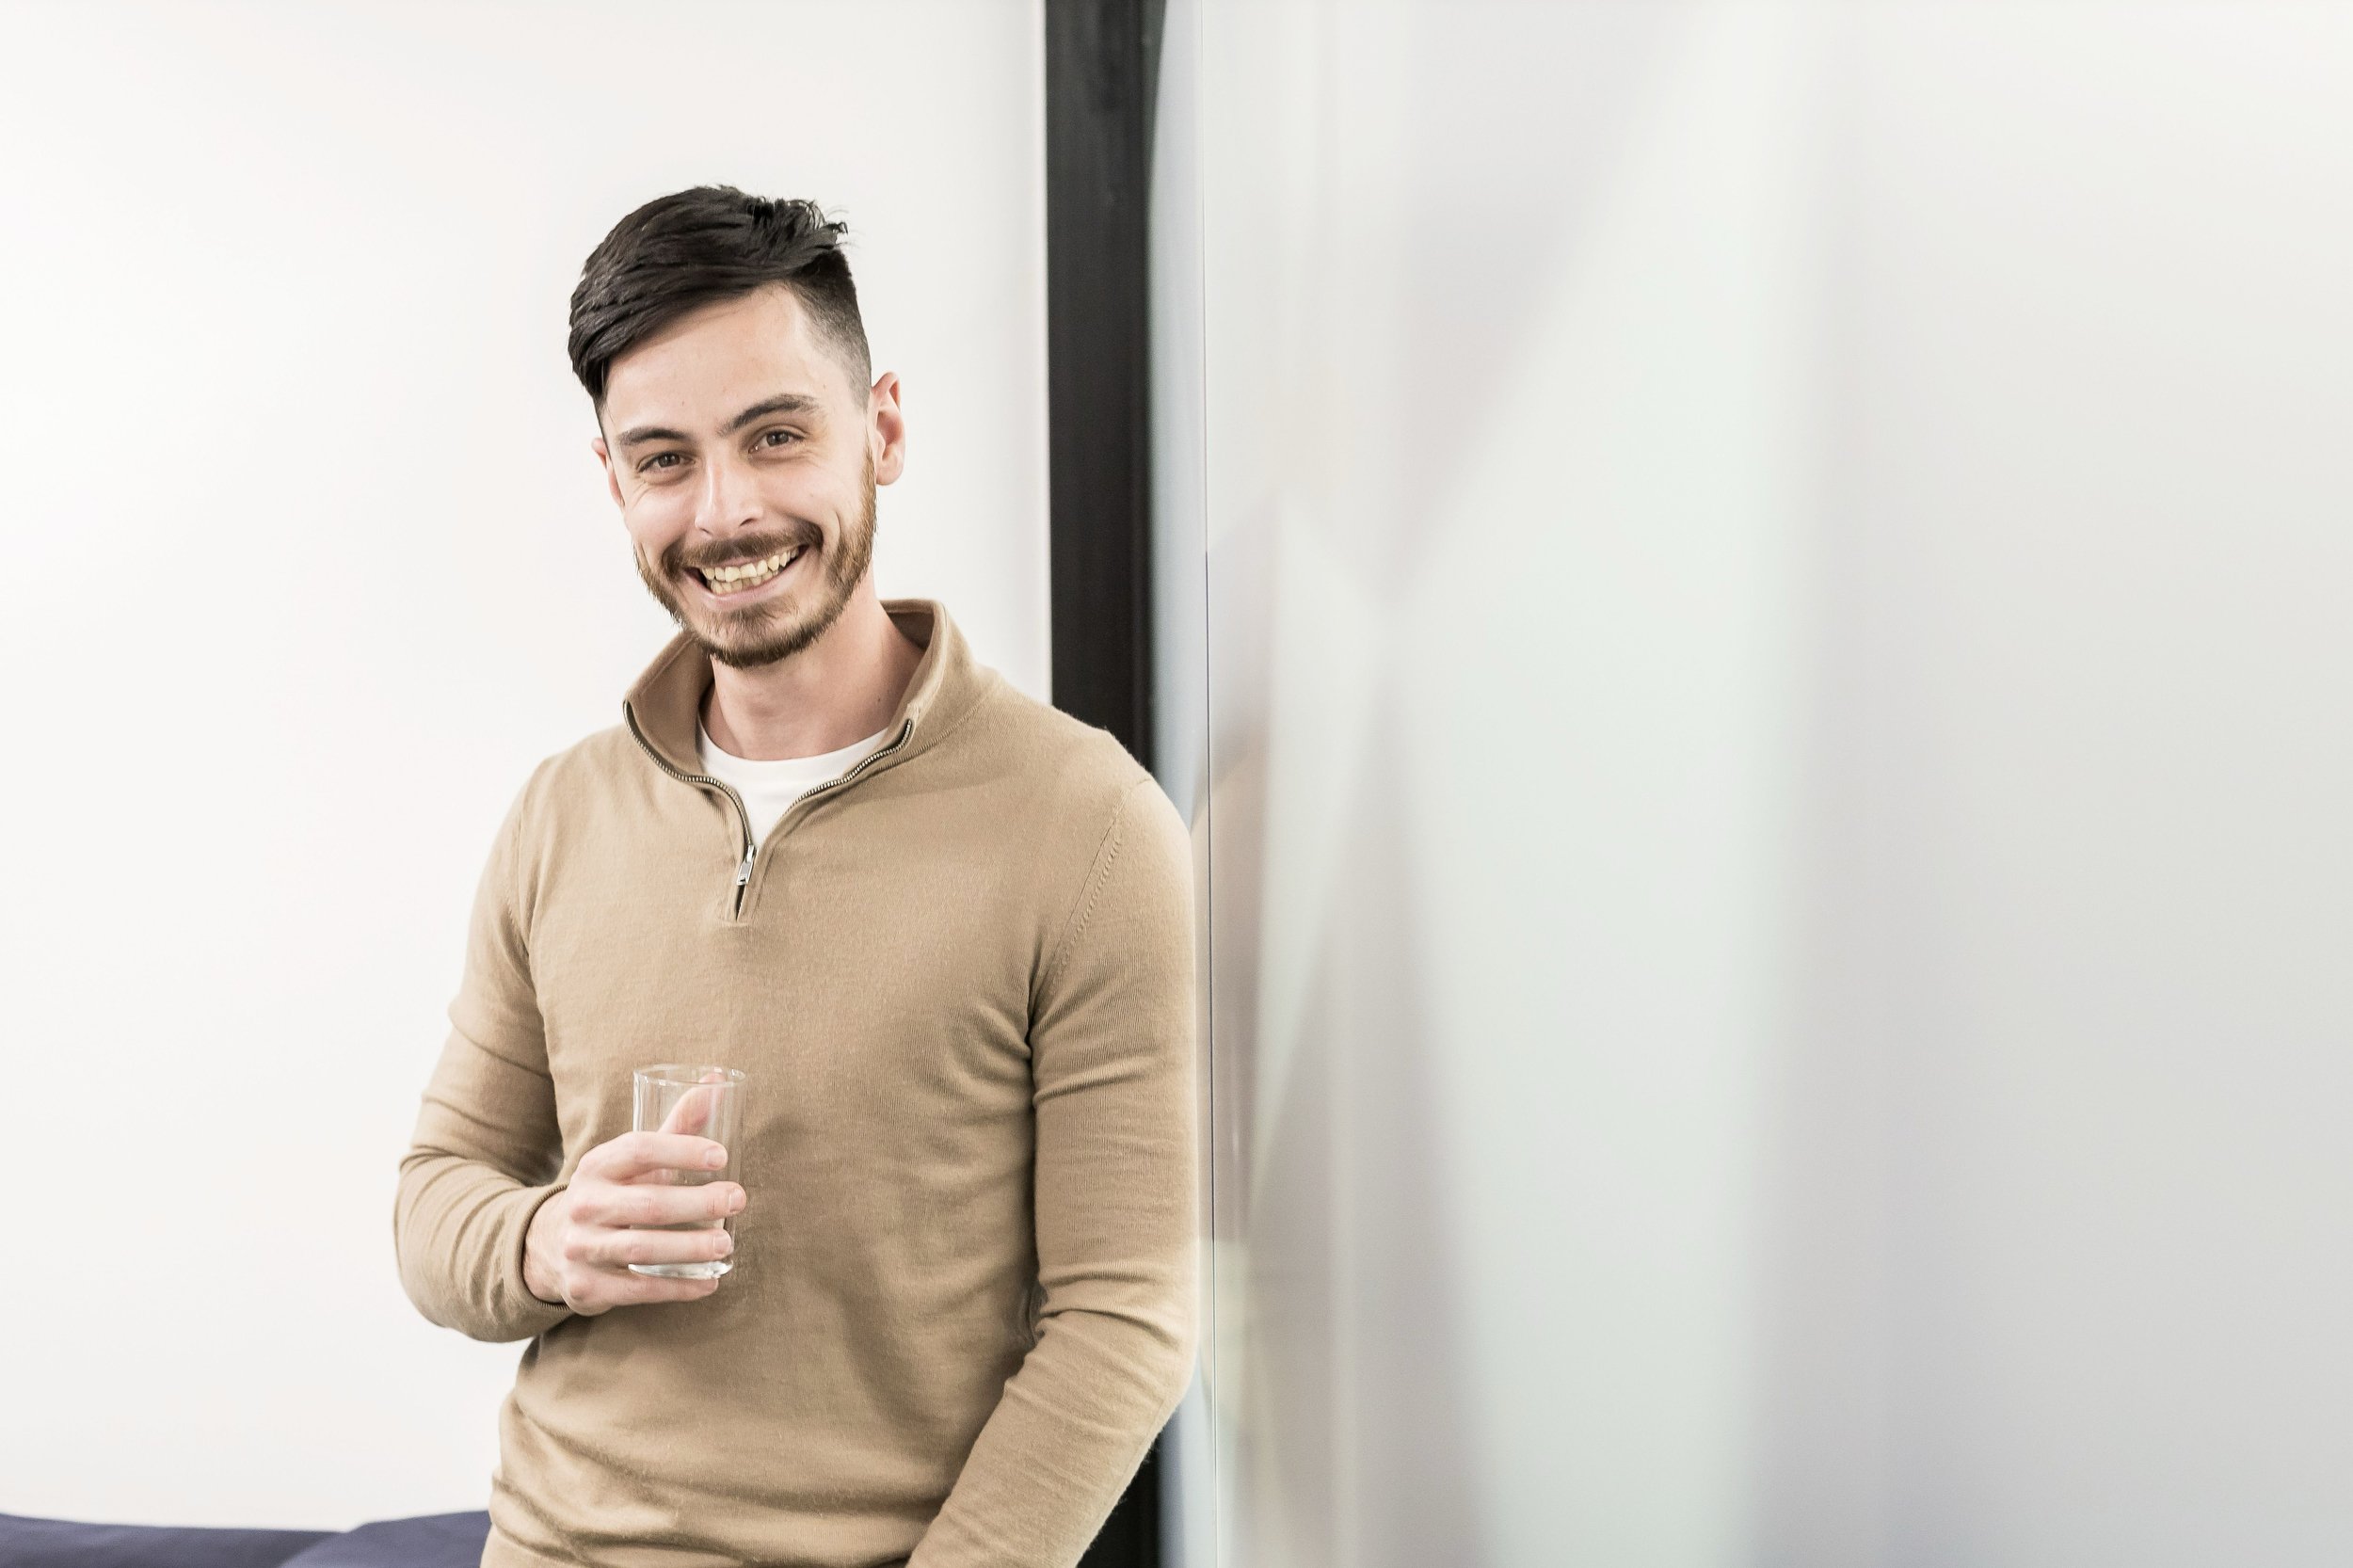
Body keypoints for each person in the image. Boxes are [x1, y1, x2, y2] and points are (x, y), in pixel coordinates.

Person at [393, 186, 1198, 1568]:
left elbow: (1125, 1316)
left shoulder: (1088, 824)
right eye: (664, 459)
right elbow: (437, 1196)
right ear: (614, 481)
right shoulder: (562, 813)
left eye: (777, 434)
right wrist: (547, 1241)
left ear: (880, 429)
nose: (727, 512)